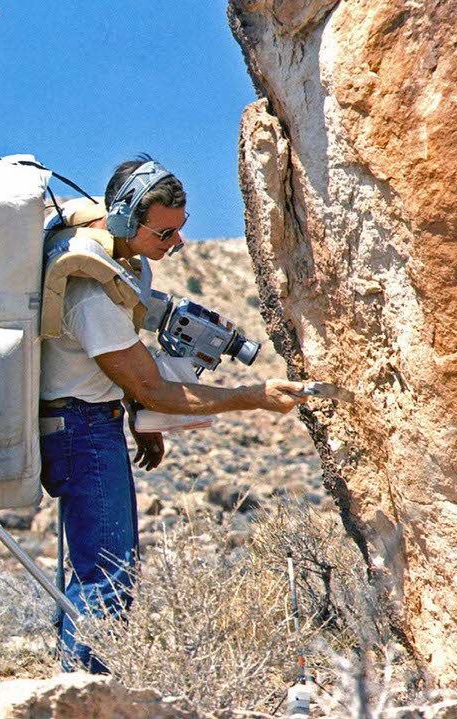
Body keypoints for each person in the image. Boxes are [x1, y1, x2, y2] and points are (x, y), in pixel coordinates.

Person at [39, 156, 309, 673]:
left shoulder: (112, 262)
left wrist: (138, 409)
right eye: (164, 234)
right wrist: (251, 395)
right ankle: (80, 690)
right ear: (121, 220)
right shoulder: (90, 291)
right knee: (108, 576)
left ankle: (78, 682)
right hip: (82, 431)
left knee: (100, 570)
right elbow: (154, 387)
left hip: (90, 423)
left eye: (178, 233)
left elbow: (135, 382)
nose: (175, 246)